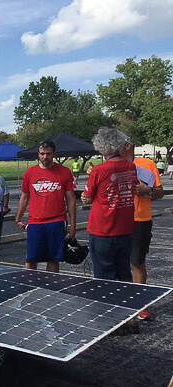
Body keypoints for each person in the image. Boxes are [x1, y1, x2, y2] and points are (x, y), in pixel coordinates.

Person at [81, 128, 137, 282]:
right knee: (124, 272)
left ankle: (107, 305)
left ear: (101, 146)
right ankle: (127, 304)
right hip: (125, 228)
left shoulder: (99, 170)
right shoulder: (131, 166)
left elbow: (88, 196)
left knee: (104, 275)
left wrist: (86, 195)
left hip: (103, 229)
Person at [120, 136, 164, 320]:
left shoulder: (147, 164)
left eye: (117, 144)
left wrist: (149, 191)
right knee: (117, 264)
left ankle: (139, 305)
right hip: (116, 220)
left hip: (140, 220)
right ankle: (120, 303)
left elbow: (160, 193)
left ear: (127, 145)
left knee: (137, 261)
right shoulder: (112, 165)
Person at [15, 140, 76, 273]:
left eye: (48, 154)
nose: (45, 157)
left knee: (53, 259)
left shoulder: (64, 172)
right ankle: (30, 287)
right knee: (31, 260)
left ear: (54, 154)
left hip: (57, 222)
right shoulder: (29, 173)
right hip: (35, 222)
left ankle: (51, 289)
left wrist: (73, 225)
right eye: (42, 154)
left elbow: (71, 199)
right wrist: (18, 218)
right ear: (38, 154)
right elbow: (24, 197)